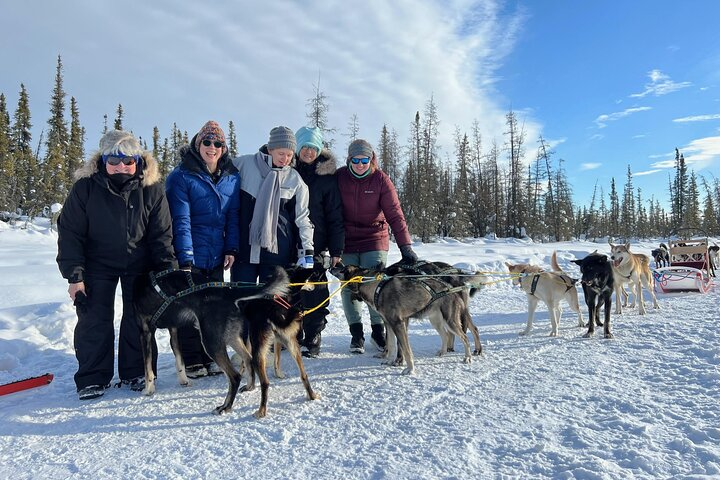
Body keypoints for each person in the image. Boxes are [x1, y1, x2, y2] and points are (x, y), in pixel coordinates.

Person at [56, 129, 176, 400]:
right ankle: (93, 377)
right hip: (96, 264)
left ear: (139, 162)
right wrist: (75, 276)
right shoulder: (85, 188)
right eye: (113, 160)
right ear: (102, 161)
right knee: (93, 319)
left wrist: (167, 272)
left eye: (128, 161)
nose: (121, 166)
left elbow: (162, 235)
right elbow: (70, 233)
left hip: (139, 265)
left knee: (139, 319)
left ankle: (136, 371)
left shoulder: (152, 189)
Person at [165, 120, 240, 378]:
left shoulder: (231, 177)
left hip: (217, 253)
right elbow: (180, 219)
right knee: (189, 308)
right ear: (198, 145)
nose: (212, 147)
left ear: (223, 148)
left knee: (214, 307)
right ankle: (192, 359)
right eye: (207, 142)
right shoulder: (181, 176)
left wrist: (231, 247)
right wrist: (185, 257)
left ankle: (212, 355)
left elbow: (232, 216)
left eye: (218, 143)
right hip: (192, 252)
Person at [337, 139, 418, 354]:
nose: (361, 164)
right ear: (349, 160)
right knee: (349, 287)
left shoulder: (381, 180)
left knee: (375, 285)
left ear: (371, 160)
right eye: (356, 160)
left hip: (374, 236)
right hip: (347, 239)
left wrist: (405, 246)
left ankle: (377, 332)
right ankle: (356, 334)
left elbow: (395, 214)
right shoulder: (340, 177)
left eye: (365, 160)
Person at [231, 125, 314, 291]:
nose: (285, 159)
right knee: (240, 303)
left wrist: (307, 250)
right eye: (281, 153)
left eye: (290, 155)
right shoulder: (243, 165)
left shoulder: (294, 179)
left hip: (276, 254)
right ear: (270, 149)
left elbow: (302, 218)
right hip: (244, 251)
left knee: (269, 309)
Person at [293, 126, 344, 357]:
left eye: (313, 148)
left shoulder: (327, 179)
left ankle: (313, 334)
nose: (308, 152)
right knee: (290, 291)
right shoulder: (286, 170)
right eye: (304, 146)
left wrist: (336, 249)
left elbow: (335, 215)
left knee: (315, 289)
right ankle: (291, 333)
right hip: (288, 241)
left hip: (317, 243)